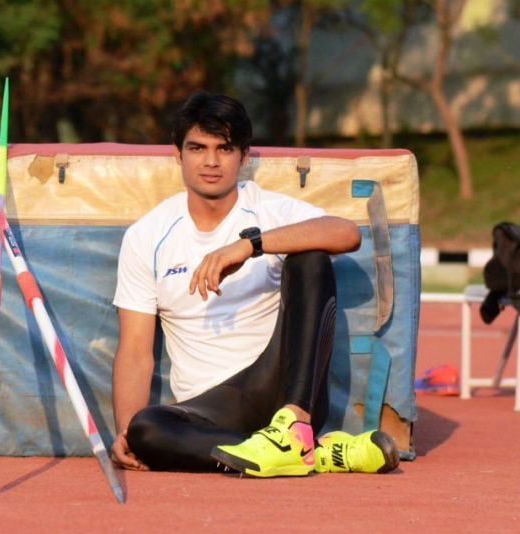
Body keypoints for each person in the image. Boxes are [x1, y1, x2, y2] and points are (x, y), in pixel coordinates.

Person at [110, 91, 399, 477]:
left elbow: (345, 233)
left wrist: (250, 246)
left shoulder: (269, 209)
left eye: (224, 148)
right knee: (146, 429)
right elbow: (134, 351)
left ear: (244, 156)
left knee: (310, 256)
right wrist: (126, 432)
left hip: (283, 389)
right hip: (209, 411)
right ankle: (311, 456)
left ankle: (293, 434)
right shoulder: (147, 235)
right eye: (197, 148)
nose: (211, 161)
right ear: (177, 155)